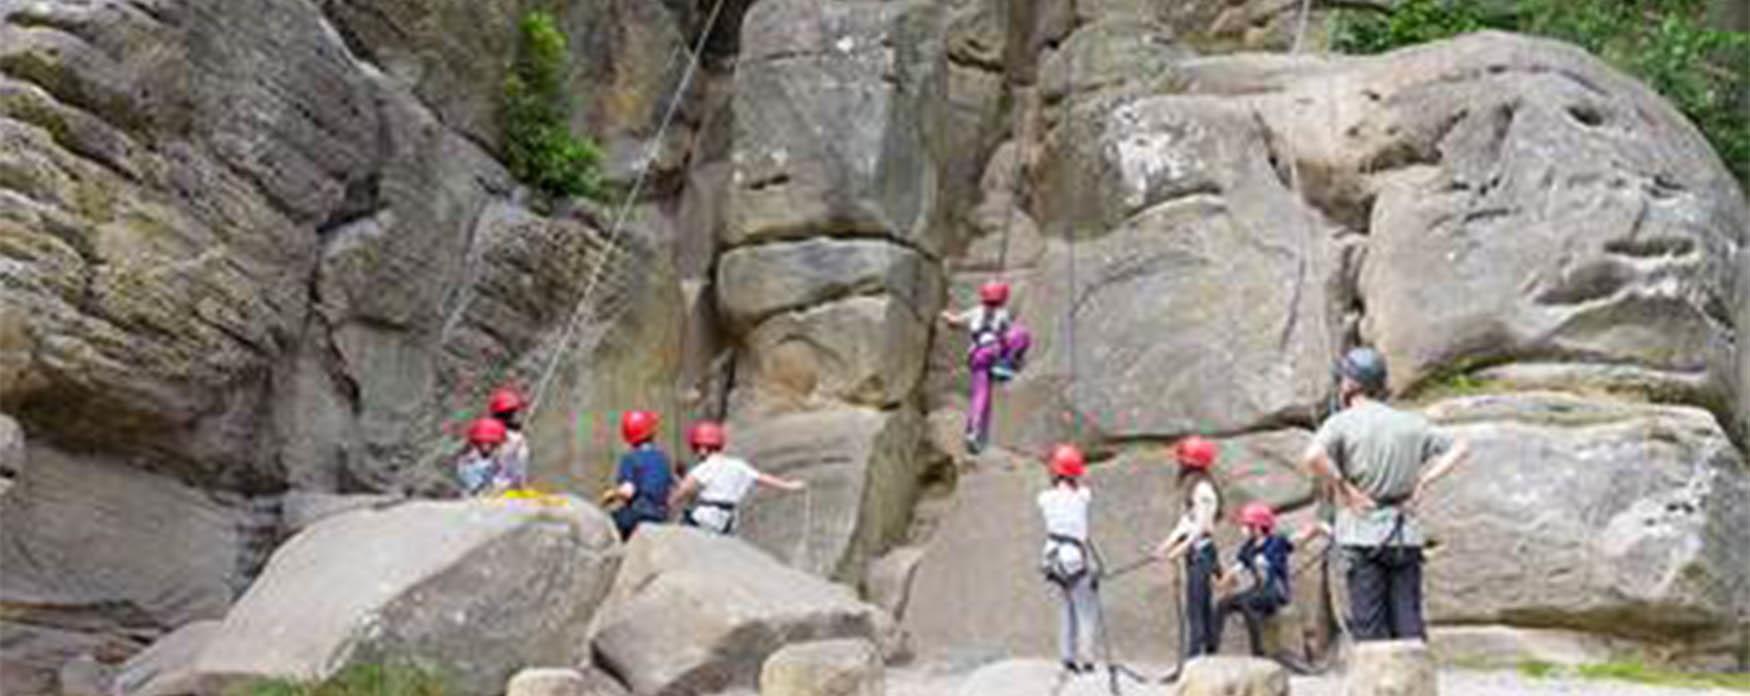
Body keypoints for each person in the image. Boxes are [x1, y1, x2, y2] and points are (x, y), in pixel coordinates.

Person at [1300, 347, 1468, 641]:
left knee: (1369, 626)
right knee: (1408, 622)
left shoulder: (1343, 422)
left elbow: (1313, 456)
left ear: (1351, 384)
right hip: (1405, 536)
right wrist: (1425, 480)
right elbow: (1461, 446)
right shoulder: (1411, 422)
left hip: (1361, 534)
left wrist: (1345, 488)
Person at [1213, 502, 1327, 656]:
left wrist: (1317, 530)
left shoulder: (1277, 542)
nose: (1244, 529)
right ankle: (1212, 649)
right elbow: (1238, 568)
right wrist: (1223, 582)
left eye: (1248, 525)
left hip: (1276, 591)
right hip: (1258, 590)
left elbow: (1298, 539)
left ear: (1258, 526)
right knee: (1223, 604)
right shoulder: (1249, 547)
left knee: (1248, 604)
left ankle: (1258, 651)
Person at [1151, 435, 1224, 658]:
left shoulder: (1203, 490)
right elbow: (1186, 524)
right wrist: (1164, 548)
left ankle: (1197, 657)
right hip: (1196, 553)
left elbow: (1201, 527)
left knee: (1197, 608)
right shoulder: (1195, 487)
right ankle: (1204, 654)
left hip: (1202, 553)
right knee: (1199, 606)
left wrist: (1178, 551)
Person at [939, 280, 1033, 454]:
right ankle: (1005, 365)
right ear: (1003, 298)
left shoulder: (975, 312)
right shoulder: (1002, 314)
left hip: (978, 357)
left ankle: (974, 431)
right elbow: (1010, 334)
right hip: (994, 352)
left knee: (980, 395)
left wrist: (944, 315)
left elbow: (954, 321)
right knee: (1022, 334)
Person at [669, 420, 806, 535]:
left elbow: (684, 489)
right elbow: (762, 478)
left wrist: (669, 502)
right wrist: (789, 486)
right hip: (729, 520)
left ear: (702, 448)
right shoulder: (738, 465)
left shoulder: (704, 468)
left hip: (705, 518)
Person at [1037, 444, 1100, 675]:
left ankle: (1067, 656)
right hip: (1075, 556)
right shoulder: (1083, 497)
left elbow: (1049, 497)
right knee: (1085, 608)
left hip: (1054, 556)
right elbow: (1083, 493)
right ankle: (1087, 659)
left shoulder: (1045, 498)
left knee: (1065, 606)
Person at [601, 410, 675, 540]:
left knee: (608, 523)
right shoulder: (662, 458)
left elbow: (628, 491)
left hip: (640, 513)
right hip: (662, 514)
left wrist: (612, 495)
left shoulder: (631, 458)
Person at [485, 387, 531, 490]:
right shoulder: (511, 438)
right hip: (502, 489)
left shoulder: (510, 435)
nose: (521, 416)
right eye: (517, 412)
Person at [456, 417, 508, 497]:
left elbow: (500, 471)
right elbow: (462, 471)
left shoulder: (495, 457)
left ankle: (488, 490)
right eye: (483, 443)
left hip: (489, 484)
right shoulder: (469, 456)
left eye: (489, 443)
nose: (486, 446)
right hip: (474, 484)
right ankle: (477, 490)